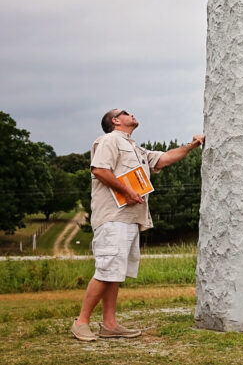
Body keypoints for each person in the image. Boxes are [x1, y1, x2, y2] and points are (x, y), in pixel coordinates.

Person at [71, 109, 205, 341]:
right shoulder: (109, 140)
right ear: (115, 121)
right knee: (106, 270)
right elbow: (100, 170)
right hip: (113, 217)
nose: (131, 114)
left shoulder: (136, 148)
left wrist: (191, 146)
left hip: (130, 218)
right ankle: (81, 322)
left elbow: (163, 159)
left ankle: (110, 325)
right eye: (125, 113)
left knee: (116, 272)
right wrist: (128, 191)